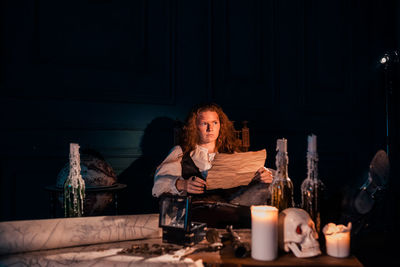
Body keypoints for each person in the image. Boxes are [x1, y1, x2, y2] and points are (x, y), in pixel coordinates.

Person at [152, 103, 273, 206]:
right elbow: (159, 183)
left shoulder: (231, 153)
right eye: (204, 123)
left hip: (232, 207)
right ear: (195, 127)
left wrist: (262, 175)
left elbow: (250, 176)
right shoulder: (181, 152)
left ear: (220, 125)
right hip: (197, 209)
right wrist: (182, 184)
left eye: (215, 122)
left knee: (273, 177)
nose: (210, 128)